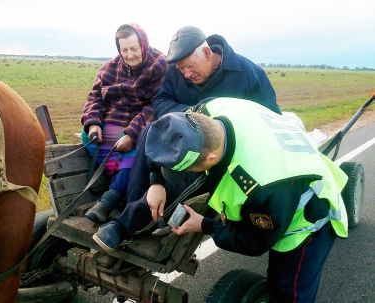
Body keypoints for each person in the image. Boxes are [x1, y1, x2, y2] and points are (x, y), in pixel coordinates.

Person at [92, 26, 281, 249]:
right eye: (181, 69)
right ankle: (138, 206)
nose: (186, 75)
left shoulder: (248, 73)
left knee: (184, 176)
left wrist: (208, 118)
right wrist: (191, 113)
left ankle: (123, 226)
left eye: (190, 66)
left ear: (208, 53)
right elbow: (161, 102)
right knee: (149, 130)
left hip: (216, 154)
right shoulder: (175, 71)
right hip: (173, 142)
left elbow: (271, 119)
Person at [145, 97, 348, 302]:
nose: (188, 172)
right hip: (283, 177)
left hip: (306, 218)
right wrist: (157, 181)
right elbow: (168, 136)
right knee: (276, 277)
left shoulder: (260, 185)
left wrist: (207, 226)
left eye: (188, 169)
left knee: (289, 289)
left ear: (211, 159)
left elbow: (255, 241)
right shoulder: (210, 109)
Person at [81, 23, 167, 225]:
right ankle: (120, 179)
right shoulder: (109, 68)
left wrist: (132, 134)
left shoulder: (160, 64)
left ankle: (108, 200)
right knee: (88, 138)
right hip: (109, 126)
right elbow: (95, 98)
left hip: (139, 127)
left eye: (134, 49)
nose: (129, 55)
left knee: (138, 155)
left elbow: (156, 106)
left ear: (144, 44)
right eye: (124, 50)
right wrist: (93, 124)